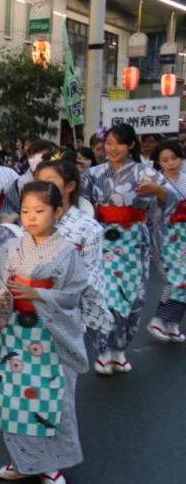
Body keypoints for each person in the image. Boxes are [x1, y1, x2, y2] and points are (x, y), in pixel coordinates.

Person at [0, 181, 89, 484]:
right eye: (25, 211)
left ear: (58, 211)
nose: (30, 217)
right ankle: (23, 460)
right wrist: (3, 297)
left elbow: (73, 294)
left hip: (50, 334)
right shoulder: (10, 248)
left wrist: (37, 293)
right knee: (16, 398)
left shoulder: (67, 251)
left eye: (39, 210)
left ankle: (53, 463)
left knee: (53, 398)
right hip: (16, 332)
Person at [81, 123, 176, 375]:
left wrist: (158, 191)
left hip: (134, 240)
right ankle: (103, 351)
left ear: (130, 145)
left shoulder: (146, 172)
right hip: (103, 240)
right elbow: (83, 207)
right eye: (108, 143)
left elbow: (173, 199)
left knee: (134, 298)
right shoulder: (93, 174)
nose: (112, 148)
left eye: (118, 143)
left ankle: (120, 350)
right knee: (108, 296)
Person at [34, 157, 112, 340]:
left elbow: (90, 272)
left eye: (50, 182)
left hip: (67, 305)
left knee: (63, 363)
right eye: (39, 182)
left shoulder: (89, 227)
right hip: (32, 302)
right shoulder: (31, 220)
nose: (43, 187)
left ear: (70, 186)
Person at [148, 140, 186, 342]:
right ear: (159, 162)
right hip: (167, 234)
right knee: (178, 279)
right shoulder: (157, 183)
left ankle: (172, 323)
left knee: (183, 280)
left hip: (185, 234)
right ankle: (159, 319)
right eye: (165, 160)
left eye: (174, 158)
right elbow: (155, 212)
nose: (170, 163)